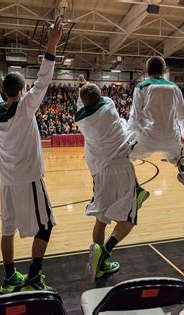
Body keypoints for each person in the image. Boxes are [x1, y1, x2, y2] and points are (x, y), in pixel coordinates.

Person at [0, 15, 63, 293]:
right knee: (46, 226)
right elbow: (45, 78)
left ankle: (10, 277)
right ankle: (34, 276)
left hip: (7, 179)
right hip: (29, 178)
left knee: (7, 229)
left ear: (5, 91)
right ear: (22, 90)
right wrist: (52, 42)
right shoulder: (25, 108)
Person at [74, 75, 150, 280]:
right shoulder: (109, 104)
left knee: (101, 219)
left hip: (101, 171)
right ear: (100, 97)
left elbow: (84, 99)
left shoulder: (80, 118)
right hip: (121, 166)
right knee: (129, 220)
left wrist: (83, 86)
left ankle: (100, 264)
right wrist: (85, 84)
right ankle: (104, 252)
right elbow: (94, 96)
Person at [128, 56, 184, 199]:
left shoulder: (141, 86)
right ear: (163, 70)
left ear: (147, 70)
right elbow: (183, 115)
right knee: (181, 158)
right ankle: (183, 171)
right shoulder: (174, 87)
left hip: (147, 136)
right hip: (171, 137)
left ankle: (137, 190)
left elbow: (134, 116)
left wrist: (129, 135)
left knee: (124, 159)